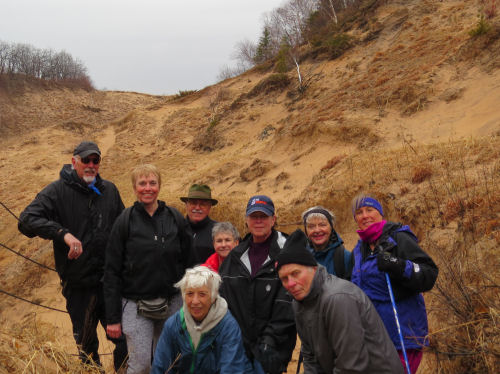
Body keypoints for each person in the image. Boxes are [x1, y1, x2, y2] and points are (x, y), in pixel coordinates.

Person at [17, 141, 127, 371]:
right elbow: (27, 220)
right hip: (79, 286)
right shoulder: (57, 191)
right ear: (73, 161)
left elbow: (123, 229)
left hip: (110, 284)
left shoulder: (110, 190)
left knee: (125, 340)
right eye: (85, 160)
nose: (90, 165)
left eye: (95, 160)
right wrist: (62, 233)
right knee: (87, 349)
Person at [104, 164, 196, 374]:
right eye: (142, 183)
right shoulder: (125, 221)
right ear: (134, 188)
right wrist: (113, 318)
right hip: (135, 305)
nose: (148, 188)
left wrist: (193, 301)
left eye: (152, 183)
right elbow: (111, 272)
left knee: (171, 362)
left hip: (172, 303)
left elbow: (191, 263)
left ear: (159, 186)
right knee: (141, 365)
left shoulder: (174, 218)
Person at [276, 229, 404, 374]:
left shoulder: (337, 298)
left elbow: (351, 366)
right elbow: (310, 356)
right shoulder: (298, 302)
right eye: (284, 278)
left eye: (295, 273)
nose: (291, 283)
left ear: (313, 268)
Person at [351, 194, 438, 374]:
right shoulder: (359, 249)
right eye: (359, 212)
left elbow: (429, 273)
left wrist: (398, 265)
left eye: (370, 210)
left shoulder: (398, 238)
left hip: (403, 334)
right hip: (373, 337)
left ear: (380, 214)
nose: (365, 215)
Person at [219, 195, 296, 374]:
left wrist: (270, 339)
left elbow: (288, 303)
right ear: (246, 220)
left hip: (273, 348)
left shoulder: (288, 253)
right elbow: (223, 299)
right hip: (238, 348)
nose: (259, 221)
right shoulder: (235, 256)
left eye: (264, 216)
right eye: (254, 216)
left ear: (273, 219)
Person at [151, 266, 253, 374]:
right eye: (190, 294)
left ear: (213, 297)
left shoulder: (228, 326)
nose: (195, 301)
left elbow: (231, 369)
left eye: (202, 294)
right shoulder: (173, 324)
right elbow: (160, 367)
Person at [302, 206, 353, 280]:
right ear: (306, 231)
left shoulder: (345, 258)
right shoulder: (302, 259)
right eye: (311, 226)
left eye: (322, 225)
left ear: (331, 228)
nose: (317, 230)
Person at [180, 183, 218, 263]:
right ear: (186, 205)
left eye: (203, 204)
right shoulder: (175, 228)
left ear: (210, 207)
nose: (197, 208)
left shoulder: (219, 231)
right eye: (193, 203)